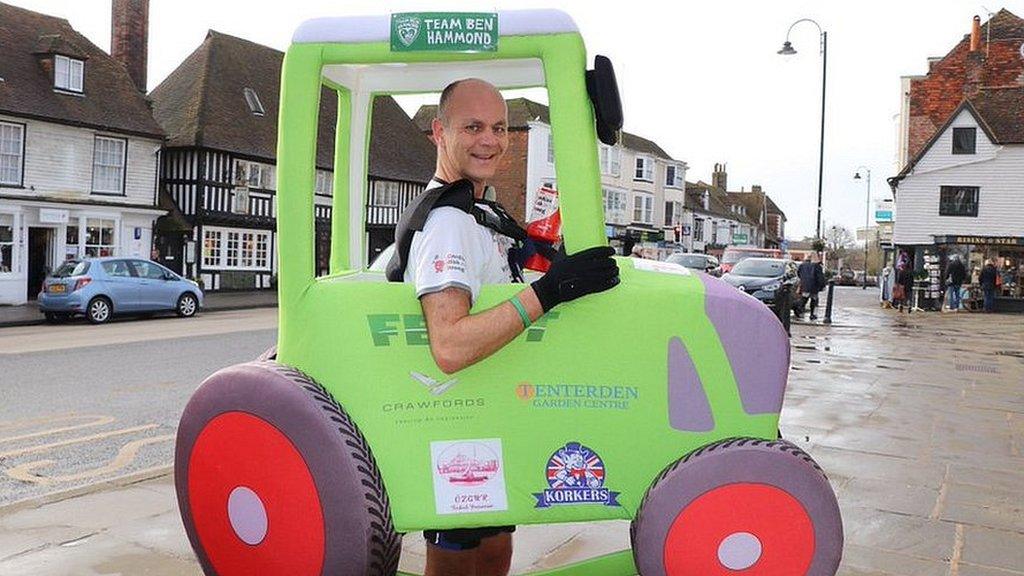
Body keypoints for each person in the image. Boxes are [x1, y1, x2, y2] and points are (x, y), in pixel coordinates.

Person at [400, 78, 619, 576]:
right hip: (454, 422)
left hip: (485, 416)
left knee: (496, 551)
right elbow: (449, 345)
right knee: (460, 562)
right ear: (439, 132)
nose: (490, 140)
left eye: (499, 127)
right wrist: (549, 291)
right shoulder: (449, 224)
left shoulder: (476, 211)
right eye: (472, 126)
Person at [797, 253, 826, 320]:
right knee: (814, 300)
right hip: (814, 286)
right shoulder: (817, 266)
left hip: (805, 285)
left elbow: (798, 274)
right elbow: (820, 277)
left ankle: (799, 311)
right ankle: (812, 314)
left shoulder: (802, 265)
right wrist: (822, 286)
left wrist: (803, 280)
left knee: (804, 298)